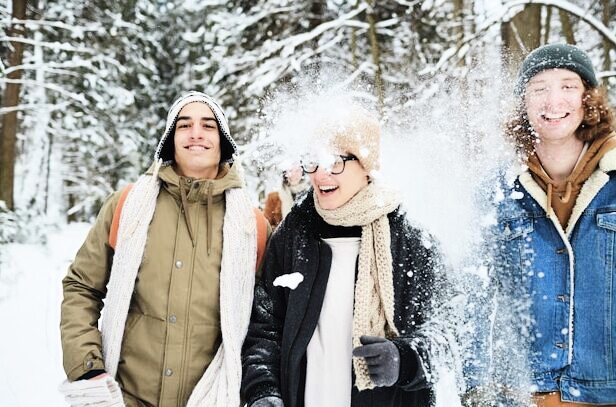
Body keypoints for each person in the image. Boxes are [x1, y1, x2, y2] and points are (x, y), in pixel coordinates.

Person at [60, 91, 269, 407]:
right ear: (170, 140)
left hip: (210, 399)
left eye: (208, 125)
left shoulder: (252, 227)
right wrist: (87, 368)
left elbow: (265, 324)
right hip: (126, 396)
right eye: (184, 125)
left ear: (223, 141)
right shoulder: (127, 206)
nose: (195, 133)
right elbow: (81, 288)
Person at [241, 106, 458, 407]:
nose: (320, 174)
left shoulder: (409, 239)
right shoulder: (294, 235)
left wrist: (405, 359)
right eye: (313, 161)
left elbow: (451, 328)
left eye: (335, 161)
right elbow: (263, 327)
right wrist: (264, 392)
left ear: (366, 165)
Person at [480, 43, 616, 406]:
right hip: (521, 395)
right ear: (523, 103)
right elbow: (473, 294)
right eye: (539, 88)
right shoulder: (496, 191)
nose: (553, 101)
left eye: (568, 86)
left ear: (588, 98)